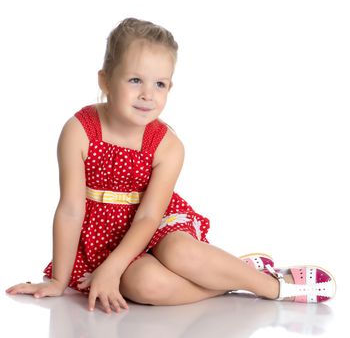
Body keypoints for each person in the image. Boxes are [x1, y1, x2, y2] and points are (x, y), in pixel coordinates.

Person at [6, 17, 336, 314]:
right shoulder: (79, 131)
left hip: (155, 224)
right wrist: (59, 280)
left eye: (159, 84)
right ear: (105, 80)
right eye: (135, 80)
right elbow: (70, 210)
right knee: (144, 286)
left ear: (169, 87)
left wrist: (113, 268)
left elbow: (149, 217)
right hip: (101, 237)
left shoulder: (167, 145)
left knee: (181, 254)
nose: (148, 94)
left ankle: (271, 286)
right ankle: (231, 276)